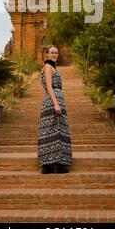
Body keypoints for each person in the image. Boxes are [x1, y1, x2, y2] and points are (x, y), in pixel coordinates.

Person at [37, 44, 72, 174]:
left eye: (56, 53)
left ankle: (55, 164)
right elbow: (49, 86)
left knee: (57, 130)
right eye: (52, 52)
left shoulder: (52, 67)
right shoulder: (47, 67)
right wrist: (56, 104)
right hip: (52, 100)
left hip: (56, 99)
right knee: (52, 131)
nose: (54, 55)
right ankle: (50, 165)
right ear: (46, 54)